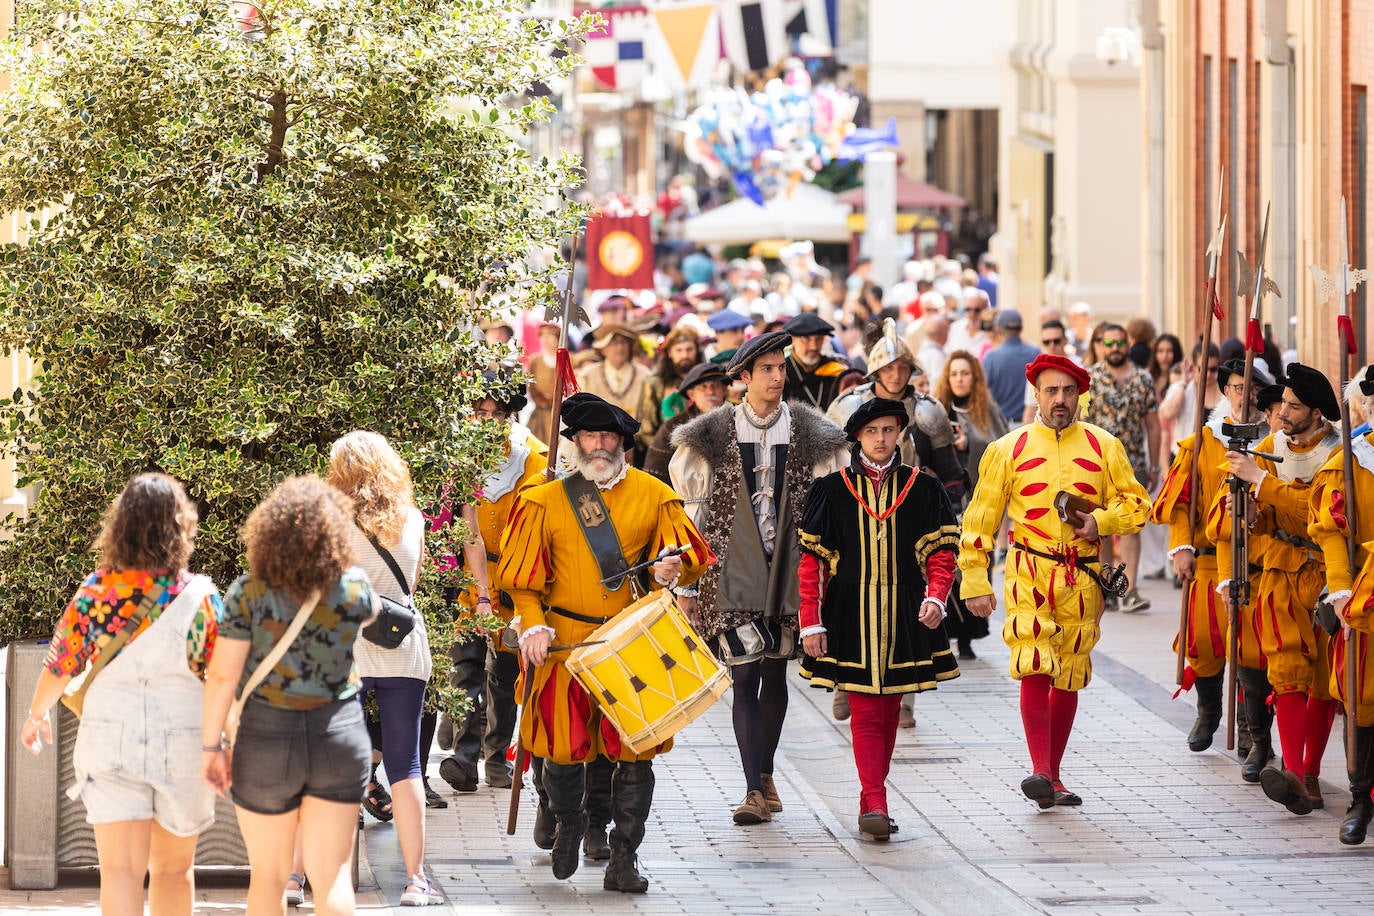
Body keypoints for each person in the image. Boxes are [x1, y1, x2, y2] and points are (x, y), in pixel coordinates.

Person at [497, 392, 714, 893]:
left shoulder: (654, 494)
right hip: (564, 645)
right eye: (590, 436)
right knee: (564, 750)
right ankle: (570, 823)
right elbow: (522, 583)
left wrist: (670, 566)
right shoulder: (542, 498)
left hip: (631, 644)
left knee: (635, 755)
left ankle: (624, 858)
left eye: (609, 437)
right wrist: (531, 624)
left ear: (623, 443)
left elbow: (688, 556)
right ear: (574, 442)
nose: (599, 445)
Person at [21, 474, 222, 916]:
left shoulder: (96, 593)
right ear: (181, 527)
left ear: (120, 527)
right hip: (184, 742)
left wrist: (36, 715)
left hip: (110, 740)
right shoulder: (201, 597)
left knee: (119, 873)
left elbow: (61, 665)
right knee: (173, 872)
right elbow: (221, 676)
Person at [670, 331, 849, 825]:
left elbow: (831, 511)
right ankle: (752, 788)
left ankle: (764, 772)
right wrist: (686, 587)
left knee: (774, 670)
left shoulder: (814, 432)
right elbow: (696, 516)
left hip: (791, 569)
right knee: (744, 671)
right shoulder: (710, 435)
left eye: (780, 367)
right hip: (729, 569)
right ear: (742, 377)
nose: (776, 376)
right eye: (765, 369)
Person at [958, 354, 1150, 807]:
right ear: (1036, 395)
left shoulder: (1105, 447)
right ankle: (1040, 770)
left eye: (1068, 391)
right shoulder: (1008, 449)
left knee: (1068, 672)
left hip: (1082, 577)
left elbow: (1139, 506)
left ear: (1081, 395)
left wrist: (1101, 521)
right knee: (1034, 661)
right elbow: (978, 520)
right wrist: (975, 581)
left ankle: (1053, 777)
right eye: (1051, 391)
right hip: (1029, 570)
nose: (1060, 399)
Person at [201, 476, 379, 914]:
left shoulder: (249, 592)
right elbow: (372, 613)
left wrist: (212, 746)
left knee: (268, 874)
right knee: (332, 875)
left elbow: (222, 676)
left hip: (265, 735)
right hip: (337, 732)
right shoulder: (352, 586)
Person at [798, 399, 961, 839]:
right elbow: (813, 563)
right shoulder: (830, 490)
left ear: (901, 434)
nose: (881, 439)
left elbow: (942, 554)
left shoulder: (924, 489)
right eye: (872, 432)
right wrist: (810, 620)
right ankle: (876, 799)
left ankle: (871, 796)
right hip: (850, 613)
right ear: (858, 438)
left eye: (889, 430)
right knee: (866, 710)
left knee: (889, 710)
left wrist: (936, 596)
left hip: (906, 611)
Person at [1215, 364, 1343, 816]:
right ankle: (1291, 769)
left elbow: (1318, 510)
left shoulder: (1338, 454)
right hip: (1279, 570)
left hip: (1328, 572)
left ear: (1316, 412)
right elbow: (1261, 516)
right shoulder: (1269, 446)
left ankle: (1309, 772)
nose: (1281, 413)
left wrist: (1263, 484)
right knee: (1285, 668)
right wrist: (1248, 510)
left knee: (1324, 679)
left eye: (1292, 406)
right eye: (1282, 404)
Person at [824, 320, 966, 722]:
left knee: (911, 602)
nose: (896, 374)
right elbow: (827, 460)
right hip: (855, 510)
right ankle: (843, 682)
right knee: (848, 598)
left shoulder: (927, 409)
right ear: (875, 370)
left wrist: (949, 511)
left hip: (911, 513)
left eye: (903, 367)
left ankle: (905, 696)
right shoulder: (849, 406)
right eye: (889, 368)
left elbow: (948, 469)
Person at [327, 431, 442, 905]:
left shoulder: (332, 520)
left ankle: (303, 877)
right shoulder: (412, 518)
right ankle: (416, 880)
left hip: (348, 647)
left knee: (332, 766)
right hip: (403, 646)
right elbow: (409, 584)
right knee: (406, 765)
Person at [1151, 358, 1273, 761]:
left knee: (1253, 647)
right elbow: (1180, 500)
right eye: (1239, 387)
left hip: (1260, 559)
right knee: (1204, 640)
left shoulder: (1274, 440)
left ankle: (1252, 728)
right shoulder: (1203, 440)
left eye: (1254, 388)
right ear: (1225, 391)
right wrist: (1182, 546)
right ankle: (1208, 711)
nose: (1247, 395)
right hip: (1207, 560)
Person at [435, 377, 547, 795]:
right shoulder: (457, 457)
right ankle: (465, 755)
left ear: (508, 416)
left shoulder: (535, 459)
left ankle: (497, 754)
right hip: (467, 575)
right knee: (464, 667)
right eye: (477, 412)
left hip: (515, 577)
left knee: (503, 672)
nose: (485, 421)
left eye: (494, 413)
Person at [1310, 365, 1374, 844]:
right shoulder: (1349, 462)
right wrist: (1343, 592)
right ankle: (1360, 798)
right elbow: (1333, 535)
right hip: (1367, 595)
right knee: (1363, 697)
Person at [1083, 323, 1161, 613]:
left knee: (1130, 525)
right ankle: (1107, 586)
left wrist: (1154, 466)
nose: (1114, 348)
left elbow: (1153, 426)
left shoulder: (1143, 378)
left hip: (1133, 463)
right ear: (1101, 345)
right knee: (1100, 528)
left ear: (1128, 344)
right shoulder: (1090, 378)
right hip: (1096, 464)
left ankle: (1129, 589)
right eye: (1109, 343)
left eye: (1119, 342)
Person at [644, 362, 729, 483]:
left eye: (715, 386)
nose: (710, 392)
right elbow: (655, 475)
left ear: (724, 390)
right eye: (703, 387)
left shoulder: (736, 420)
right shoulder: (673, 427)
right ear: (691, 395)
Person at [637, 325, 701, 454]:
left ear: (697, 350)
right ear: (670, 353)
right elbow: (646, 430)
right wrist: (665, 450)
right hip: (665, 452)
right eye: (679, 350)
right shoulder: (654, 383)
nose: (685, 355)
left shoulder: (705, 382)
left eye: (689, 349)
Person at [781, 312, 850, 411]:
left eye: (818, 339)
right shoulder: (782, 372)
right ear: (793, 339)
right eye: (806, 339)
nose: (813, 346)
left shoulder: (835, 370)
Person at [982, 309, 1040, 426]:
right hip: (1031, 424)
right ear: (1021, 328)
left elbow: (983, 394)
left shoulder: (991, 357)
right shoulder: (1035, 353)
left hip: (1000, 426)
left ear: (998, 329)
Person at [1021, 320, 1077, 424]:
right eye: (1047, 342)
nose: (1052, 345)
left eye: (1056, 341)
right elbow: (1030, 411)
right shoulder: (1037, 370)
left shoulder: (1079, 366)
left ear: (1066, 340)